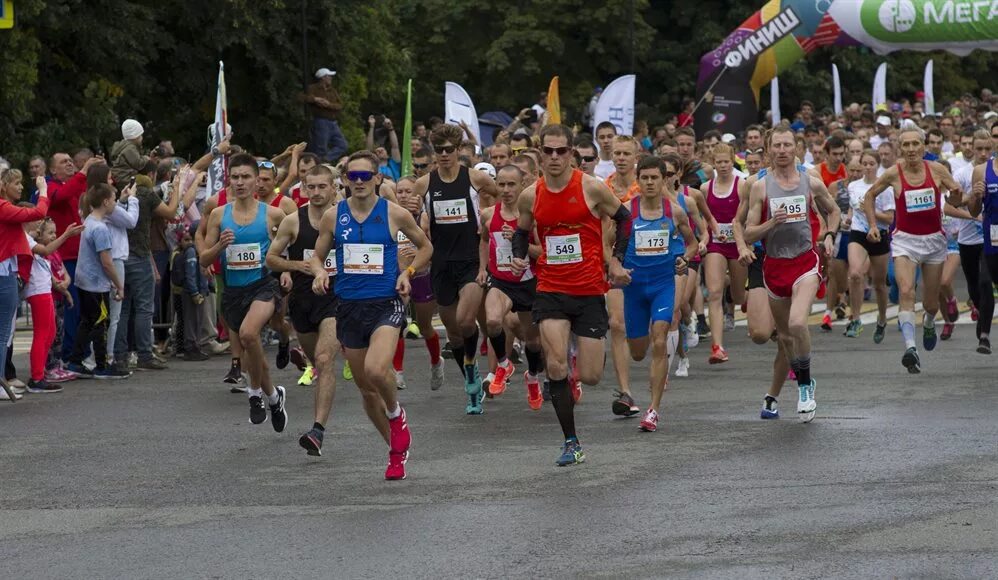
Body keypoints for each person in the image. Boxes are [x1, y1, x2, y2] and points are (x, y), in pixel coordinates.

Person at [510, 123, 632, 466]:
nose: (553, 157)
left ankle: (586, 358)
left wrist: (617, 262)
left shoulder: (592, 188)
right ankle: (571, 441)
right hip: (550, 288)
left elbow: (625, 218)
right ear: (540, 152)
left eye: (560, 151)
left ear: (571, 154)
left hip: (590, 289)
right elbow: (520, 232)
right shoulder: (530, 195)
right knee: (555, 364)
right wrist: (520, 255)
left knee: (590, 376)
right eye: (547, 151)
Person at [310, 150, 432, 480]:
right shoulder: (334, 217)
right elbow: (316, 257)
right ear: (345, 181)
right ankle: (395, 451)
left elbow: (425, 248)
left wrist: (407, 272)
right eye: (354, 177)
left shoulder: (394, 214)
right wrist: (320, 272)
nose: (360, 182)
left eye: (366, 177)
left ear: (378, 179)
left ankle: (396, 414)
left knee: (378, 371)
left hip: (386, 303)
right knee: (366, 389)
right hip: (349, 307)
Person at [744, 126, 841, 423]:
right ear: (769, 150)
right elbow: (748, 233)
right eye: (777, 146)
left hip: (805, 262)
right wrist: (771, 223)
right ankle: (804, 382)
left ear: (796, 148)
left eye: (788, 145)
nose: (783, 150)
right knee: (785, 336)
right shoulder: (760, 187)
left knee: (798, 323)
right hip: (774, 266)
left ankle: (804, 388)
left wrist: (828, 235)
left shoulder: (811, 183)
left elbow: (833, 211)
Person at [411, 124, 498, 414]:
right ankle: (470, 379)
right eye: (440, 150)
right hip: (441, 264)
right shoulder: (424, 184)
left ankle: (473, 366)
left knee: (465, 320)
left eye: (450, 149)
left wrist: (489, 221)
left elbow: (505, 197)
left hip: (471, 260)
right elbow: (414, 217)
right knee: (456, 334)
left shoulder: (474, 178)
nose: (445, 155)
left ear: (460, 150)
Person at [863, 123, 963, 373]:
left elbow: (955, 196)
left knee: (930, 303)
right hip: (904, 240)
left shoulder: (937, 170)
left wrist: (957, 196)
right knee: (906, 290)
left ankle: (929, 321)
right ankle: (910, 349)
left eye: (915, 143)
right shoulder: (893, 174)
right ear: (900, 148)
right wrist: (873, 225)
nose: (910, 149)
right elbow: (869, 195)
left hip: (933, 241)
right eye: (905, 144)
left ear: (923, 146)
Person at [200, 153, 289, 431]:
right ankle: (273, 397)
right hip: (233, 291)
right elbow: (204, 259)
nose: (240, 182)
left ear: (256, 182)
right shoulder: (218, 214)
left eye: (246, 177)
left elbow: (285, 249)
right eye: (235, 177)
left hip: (262, 286)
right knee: (252, 348)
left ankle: (253, 396)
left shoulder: (273, 214)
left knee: (250, 334)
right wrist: (219, 247)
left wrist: (286, 271)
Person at [266, 164, 342, 456]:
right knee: (316, 360)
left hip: (337, 299)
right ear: (303, 189)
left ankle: (317, 431)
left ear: (333, 188)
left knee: (324, 359)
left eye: (323, 186)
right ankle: (306, 363)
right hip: (302, 300)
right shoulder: (292, 221)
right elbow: (271, 259)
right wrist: (300, 265)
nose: (317, 192)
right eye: (311, 187)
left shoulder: (344, 218)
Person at [619, 156, 696, 432]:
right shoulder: (626, 212)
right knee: (638, 352)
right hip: (634, 288)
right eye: (645, 178)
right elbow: (607, 245)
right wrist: (616, 267)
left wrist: (685, 258)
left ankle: (653, 410)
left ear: (664, 180)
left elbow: (692, 244)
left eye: (655, 178)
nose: (650, 183)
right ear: (637, 180)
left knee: (660, 338)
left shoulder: (675, 212)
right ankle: (652, 367)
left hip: (664, 284)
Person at [476, 164, 543, 407]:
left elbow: (542, 253)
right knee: (493, 321)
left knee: (533, 342)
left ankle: (533, 378)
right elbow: (484, 241)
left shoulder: (533, 218)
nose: (505, 189)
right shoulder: (488, 215)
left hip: (528, 283)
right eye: (501, 184)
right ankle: (504, 365)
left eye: (511, 184)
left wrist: (518, 241)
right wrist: (483, 268)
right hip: (501, 281)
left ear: (522, 186)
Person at [112, 159, 180, 373]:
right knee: (144, 307)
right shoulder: (146, 193)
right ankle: (144, 354)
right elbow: (170, 212)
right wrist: (177, 186)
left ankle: (121, 355)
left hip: (122, 255)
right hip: (140, 254)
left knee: (123, 309)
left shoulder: (121, 191)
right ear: (151, 175)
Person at [66, 184, 131, 380]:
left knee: (87, 321)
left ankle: (75, 361)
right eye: (113, 199)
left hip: (84, 280)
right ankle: (102, 365)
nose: (114, 203)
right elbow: (106, 261)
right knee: (101, 322)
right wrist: (119, 284)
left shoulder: (89, 221)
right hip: (96, 284)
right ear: (105, 201)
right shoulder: (101, 228)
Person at [0, 172, 52, 400]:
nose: (21, 187)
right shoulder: (3, 207)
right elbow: (40, 212)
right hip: (3, 273)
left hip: (7, 272)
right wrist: (43, 189)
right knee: (3, 334)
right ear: (3, 185)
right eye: (16, 183)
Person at [393, 176, 445, 391]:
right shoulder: (391, 216)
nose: (404, 196)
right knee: (397, 325)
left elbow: (435, 248)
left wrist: (421, 252)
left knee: (425, 327)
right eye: (400, 191)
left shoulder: (424, 218)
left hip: (422, 277)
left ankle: (436, 361)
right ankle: (397, 372)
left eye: (408, 191)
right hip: (398, 278)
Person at [24, 216, 84, 392]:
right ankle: (36, 378)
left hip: (43, 289)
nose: (36, 220)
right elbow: (45, 250)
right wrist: (66, 235)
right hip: (37, 290)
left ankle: (40, 374)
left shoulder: (29, 237)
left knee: (50, 333)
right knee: (43, 334)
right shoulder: (28, 240)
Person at [701, 143, 745, 363]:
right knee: (714, 292)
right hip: (716, 245)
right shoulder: (706, 188)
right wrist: (707, 236)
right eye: (719, 162)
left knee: (738, 296)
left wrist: (738, 232)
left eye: (726, 161)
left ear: (732, 160)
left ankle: (742, 297)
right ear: (713, 163)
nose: (723, 166)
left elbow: (747, 215)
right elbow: (703, 218)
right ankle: (717, 347)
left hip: (737, 245)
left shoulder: (742, 185)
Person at [846, 151, 895, 341]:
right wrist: (850, 217)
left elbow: (890, 218)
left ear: (877, 165)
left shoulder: (885, 187)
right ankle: (855, 319)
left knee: (879, 284)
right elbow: (852, 207)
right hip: (858, 233)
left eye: (871, 163)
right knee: (856, 274)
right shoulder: (853, 186)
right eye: (864, 164)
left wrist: (869, 209)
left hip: (879, 235)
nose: (867, 167)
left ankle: (882, 320)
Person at [954, 130, 995, 353]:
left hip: (989, 238)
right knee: (973, 285)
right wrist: (972, 201)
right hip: (968, 238)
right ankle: (981, 310)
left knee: (985, 282)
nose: (982, 153)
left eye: (987, 149)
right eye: (978, 149)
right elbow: (949, 205)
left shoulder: (994, 169)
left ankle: (984, 324)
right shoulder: (963, 174)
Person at [965, 131, 998, 355]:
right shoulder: (981, 170)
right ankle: (984, 334)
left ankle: (984, 336)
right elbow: (974, 210)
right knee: (985, 283)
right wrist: (976, 196)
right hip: (992, 236)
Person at [304, 68, 348, 163]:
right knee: (320, 148)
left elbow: (340, 105)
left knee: (342, 145)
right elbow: (302, 97)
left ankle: (324, 160)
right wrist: (315, 99)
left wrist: (328, 105)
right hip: (321, 121)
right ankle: (318, 166)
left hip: (333, 122)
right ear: (323, 77)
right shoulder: (313, 88)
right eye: (329, 76)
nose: (331, 78)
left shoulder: (332, 90)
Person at [110, 119, 151, 188]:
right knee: (146, 180)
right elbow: (138, 164)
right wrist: (146, 158)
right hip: (125, 178)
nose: (142, 138)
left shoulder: (123, 146)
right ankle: (150, 196)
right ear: (135, 136)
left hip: (119, 177)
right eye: (140, 136)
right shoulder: (130, 149)